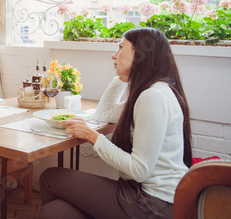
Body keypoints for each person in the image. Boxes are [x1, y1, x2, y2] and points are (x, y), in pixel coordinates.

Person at [39, 27, 192, 219]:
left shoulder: (153, 97)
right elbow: (103, 114)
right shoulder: (147, 91)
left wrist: (92, 136)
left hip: (153, 203)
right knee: (53, 212)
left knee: (50, 178)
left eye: (120, 48)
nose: (114, 55)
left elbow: (139, 170)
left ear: (140, 54)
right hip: (137, 192)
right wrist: (122, 78)